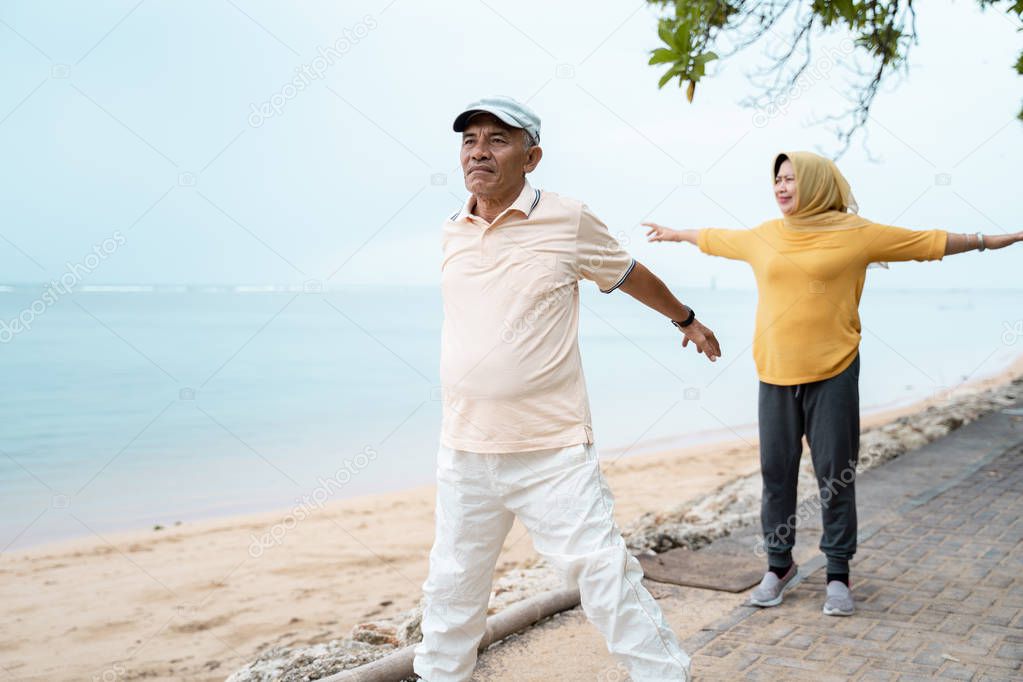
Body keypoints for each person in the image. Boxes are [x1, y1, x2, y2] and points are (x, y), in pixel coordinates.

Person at [412, 95, 721, 682]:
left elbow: (628, 273)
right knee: (451, 589)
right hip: (464, 449)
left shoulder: (567, 218)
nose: (479, 151)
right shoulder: (452, 230)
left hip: (551, 449)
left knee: (604, 578)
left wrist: (685, 319)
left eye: (497, 140)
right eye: (469, 140)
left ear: (532, 157)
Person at [644, 150, 1023, 617]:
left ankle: (838, 572)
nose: (781, 187)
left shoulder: (856, 234)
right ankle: (778, 566)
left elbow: (928, 242)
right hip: (775, 374)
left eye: (792, 179)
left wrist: (993, 240)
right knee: (776, 478)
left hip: (835, 372)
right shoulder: (765, 236)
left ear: (819, 184)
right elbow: (715, 237)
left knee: (835, 477)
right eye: (777, 179)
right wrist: (676, 233)